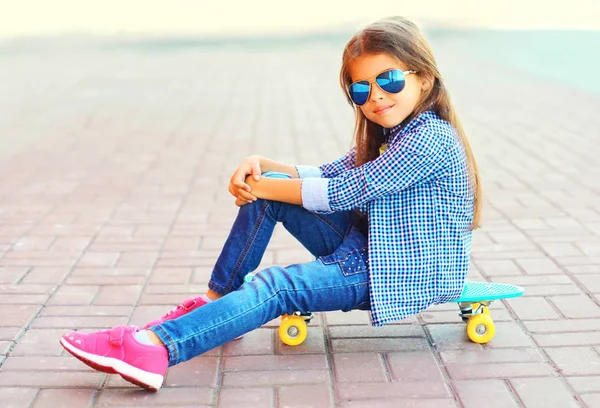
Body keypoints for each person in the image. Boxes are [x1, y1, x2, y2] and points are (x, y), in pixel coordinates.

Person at [59, 16, 481, 391]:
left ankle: (154, 348)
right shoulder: (397, 133)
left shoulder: (431, 139)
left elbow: (347, 191)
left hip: (398, 271)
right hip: (373, 248)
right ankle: (215, 301)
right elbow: (330, 173)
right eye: (360, 88)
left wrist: (264, 186)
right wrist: (265, 169)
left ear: (423, 78)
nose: (375, 96)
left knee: (277, 286)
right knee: (274, 189)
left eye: (388, 80)